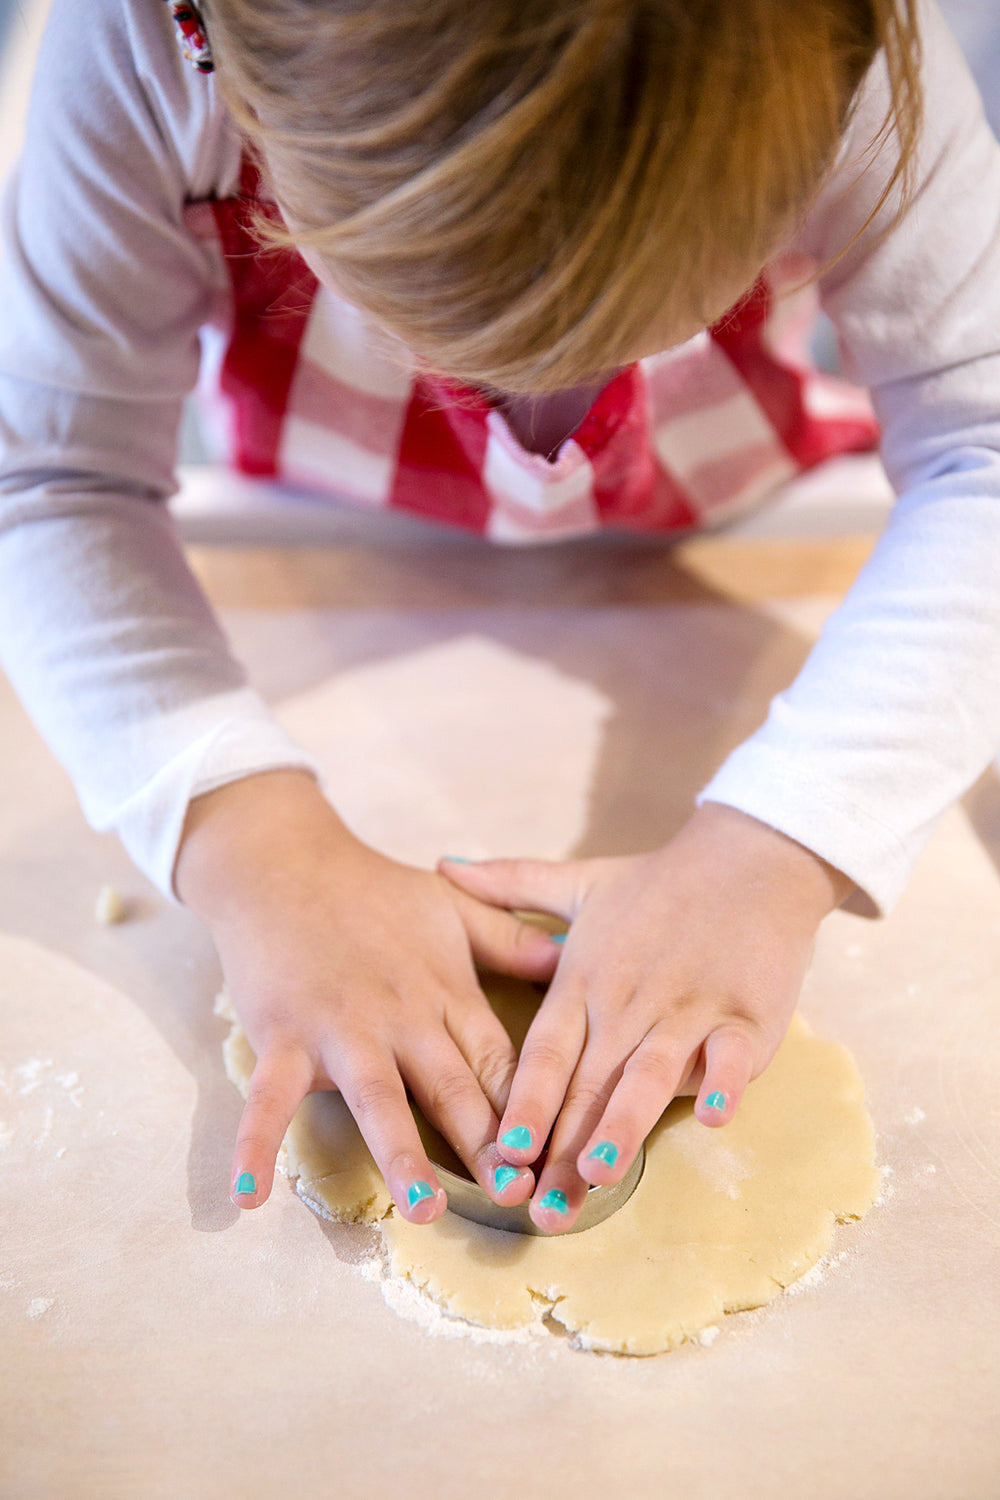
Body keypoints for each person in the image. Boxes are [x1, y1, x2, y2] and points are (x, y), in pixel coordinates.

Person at [1, 0, 998, 1235]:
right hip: (322, 526)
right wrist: (248, 837)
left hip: (719, 518)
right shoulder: (139, 43)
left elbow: (984, 452)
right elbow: (51, 478)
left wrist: (784, 840)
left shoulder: (849, 46)